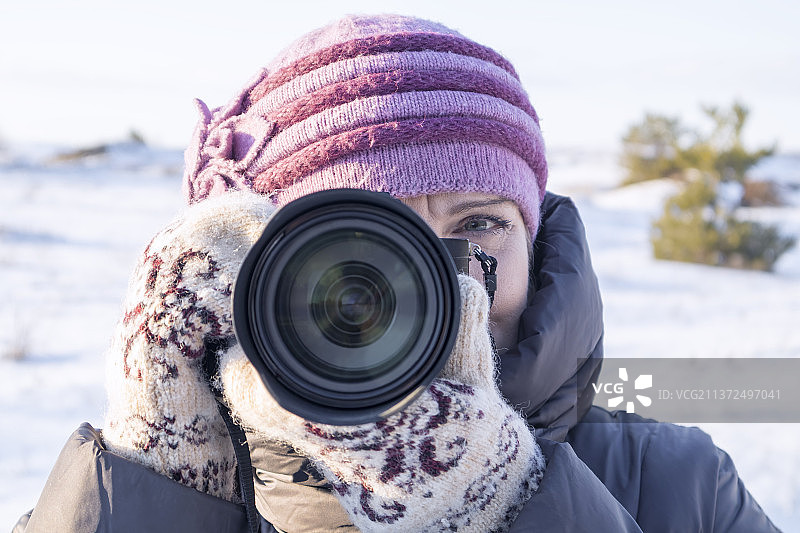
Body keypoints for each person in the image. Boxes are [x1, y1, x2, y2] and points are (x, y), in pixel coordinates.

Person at [16, 14, 779, 533]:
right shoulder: (182, 467)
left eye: (477, 225)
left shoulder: (675, 485)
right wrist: (153, 482)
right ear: (249, 269)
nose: (438, 287)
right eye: (369, 251)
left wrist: (506, 500)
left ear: (534, 244)